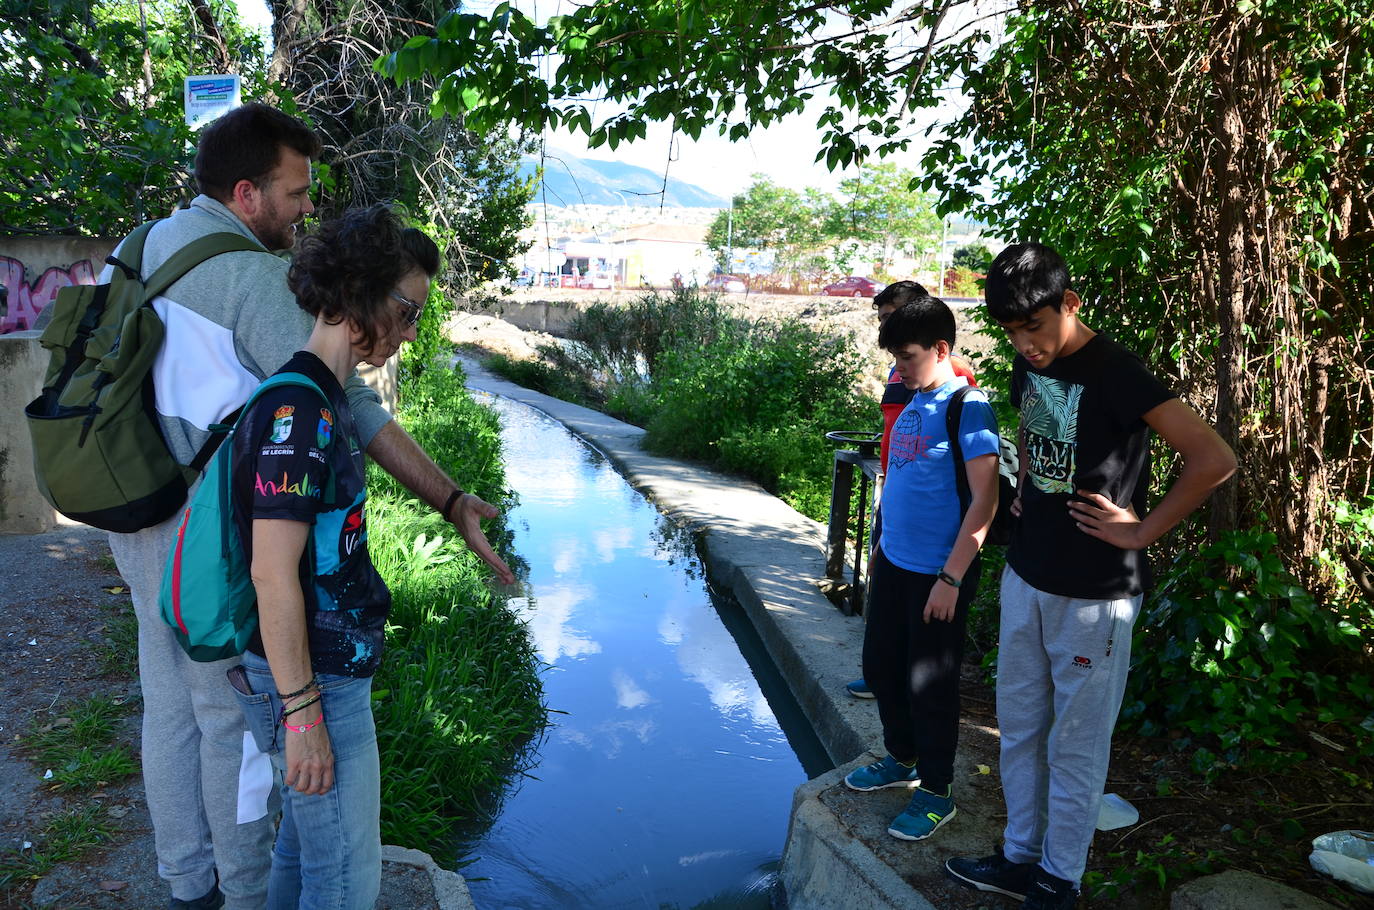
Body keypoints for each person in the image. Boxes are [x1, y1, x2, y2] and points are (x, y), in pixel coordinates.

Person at [101, 103, 513, 910]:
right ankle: (241, 892)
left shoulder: (141, 245)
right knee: (232, 721)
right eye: (295, 192)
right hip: (225, 533)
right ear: (246, 192)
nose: (303, 208)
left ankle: (187, 879)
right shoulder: (256, 291)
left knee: (171, 708)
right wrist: (301, 710)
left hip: (141, 508)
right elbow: (342, 397)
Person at [945, 243, 1235, 908]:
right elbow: (1038, 434)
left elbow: (1213, 458)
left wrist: (1141, 530)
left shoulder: (1117, 371)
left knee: (1075, 746)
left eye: (1035, 327)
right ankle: (1019, 856)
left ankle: (1058, 880)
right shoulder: (1028, 365)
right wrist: (1029, 490)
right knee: (1019, 730)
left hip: (1095, 594)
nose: (1026, 346)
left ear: (1070, 303)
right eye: (1012, 333)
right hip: (1027, 574)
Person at [229, 205, 426, 908]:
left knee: (302, 847)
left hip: (321, 672)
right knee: (344, 880)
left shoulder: (326, 397)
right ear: (359, 295)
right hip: (317, 681)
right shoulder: (301, 411)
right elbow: (270, 571)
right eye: (406, 311)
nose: (409, 332)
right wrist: (304, 714)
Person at [841, 296, 1000, 842]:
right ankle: (902, 758)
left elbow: (985, 500)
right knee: (881, 667)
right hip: (895, 563)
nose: (900, 368)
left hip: (939, 574)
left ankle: (936, 791)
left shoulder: (968, 406)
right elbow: (903, 480)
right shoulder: (914, 400)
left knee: (929, 684)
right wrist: (881, 549)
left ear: (941, 349)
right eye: (895, 358)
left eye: (907, 357)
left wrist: (951, 578)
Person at [845, 280, 978, 700]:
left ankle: (904, 697)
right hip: (896, 505)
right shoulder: (905, 377)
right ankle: (883, 681)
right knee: (885, 625)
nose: (887, 326)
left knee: (925, 668)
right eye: (883, 320)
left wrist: (951, 576)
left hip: (932, 544)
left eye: (894, 317)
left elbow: (980, 492)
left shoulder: (955, 385)